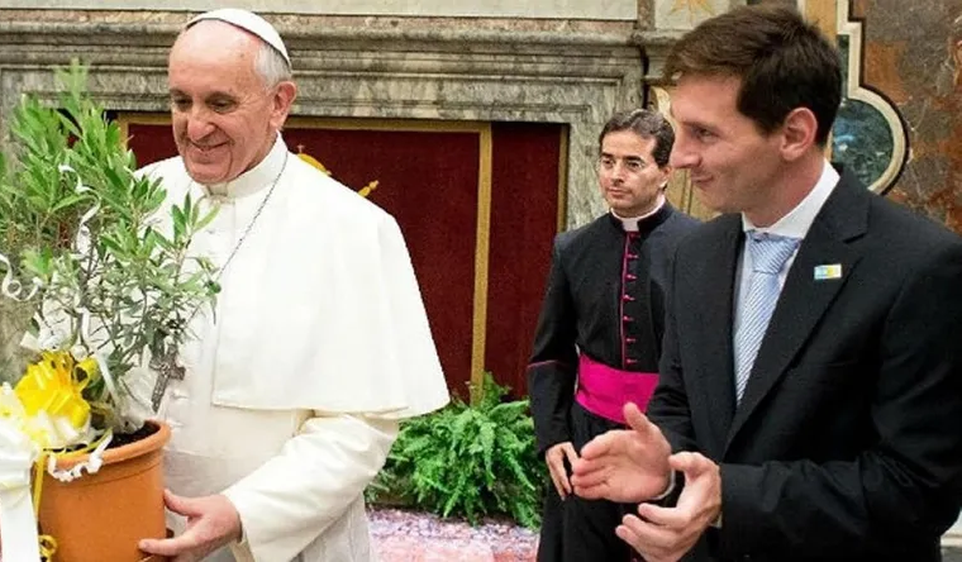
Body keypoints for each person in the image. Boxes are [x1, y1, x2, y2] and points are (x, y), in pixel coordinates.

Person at [570, 4, 962, 562]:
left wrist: (731, 497)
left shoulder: (918, 265)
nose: (680, 157)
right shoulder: (696, 255)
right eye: (680, 128)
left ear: (794, 133)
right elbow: (680, 403)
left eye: (704, 133)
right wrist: (666, 466)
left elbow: (917, 488)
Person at [131, 9, 449, 562]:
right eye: (181, 101)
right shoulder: (130, 204)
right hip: (130, 529)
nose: (195, 126)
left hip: (286, 542)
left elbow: (358, 426)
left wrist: (244, 512)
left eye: (220, 104)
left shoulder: (351, 229)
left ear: (279, 102)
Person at [527, 109, 699, 561]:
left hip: (672, 439)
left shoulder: (703, 248)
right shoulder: (573, 248)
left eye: (632, 163)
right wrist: (553, 436)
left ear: (666, 171)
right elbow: (550, 354)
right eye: (607, 161)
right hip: (590, 437)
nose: (615, 175)